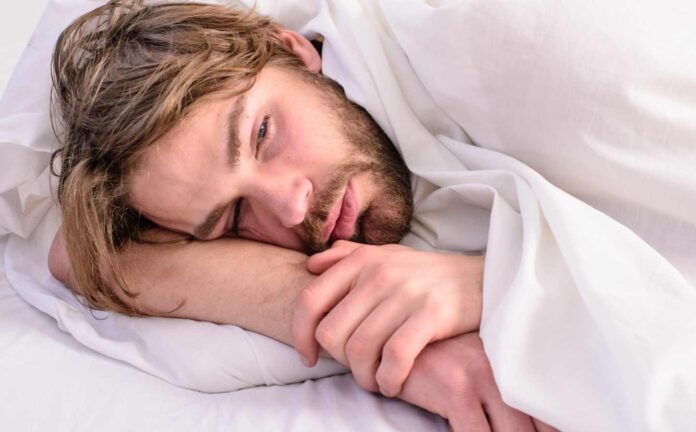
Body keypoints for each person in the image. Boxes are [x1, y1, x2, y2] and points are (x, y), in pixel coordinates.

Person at [46, 1, 558, 430]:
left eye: (262, 135)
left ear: (292, 49)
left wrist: (484, 281)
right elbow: (77, 255)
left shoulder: (483, 36)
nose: (291, 208)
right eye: (235, 216)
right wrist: (380, 331)